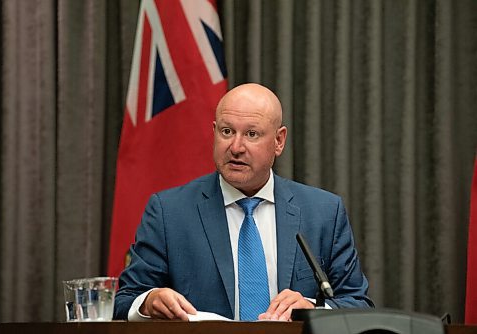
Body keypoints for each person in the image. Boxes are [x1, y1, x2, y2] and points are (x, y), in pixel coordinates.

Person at [113, 83, 374, 322]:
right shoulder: (169, 212)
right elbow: (125, 301)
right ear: (214, 132)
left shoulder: (323, 212)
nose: (236, 147)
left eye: (251, 134)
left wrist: (311, 309)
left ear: (279, 141)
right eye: (227, 131)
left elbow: (358, 305)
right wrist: (148, 302)